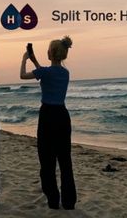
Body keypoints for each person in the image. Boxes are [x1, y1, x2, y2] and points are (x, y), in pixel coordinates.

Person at [21, 37, 77, 210]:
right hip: (62, 115)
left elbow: (23, 75)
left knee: (47, 160)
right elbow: (46, 74)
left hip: (47, 116)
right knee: (65, 159)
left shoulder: (45, 72)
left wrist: (24, 59)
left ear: (50, 53)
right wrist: (35, 60)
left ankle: (53, 199)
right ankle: (68, 201)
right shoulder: (65, 73)